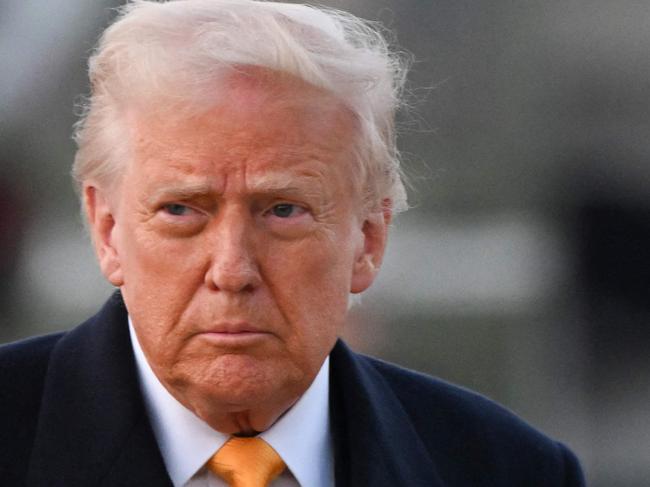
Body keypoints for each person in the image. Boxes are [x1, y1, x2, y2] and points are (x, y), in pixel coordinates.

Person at [0, 1, 585, 486]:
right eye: (181, 210)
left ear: (369, 240)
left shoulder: (511, 469)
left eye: (283, 210)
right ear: (107, 231)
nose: (231, 270)